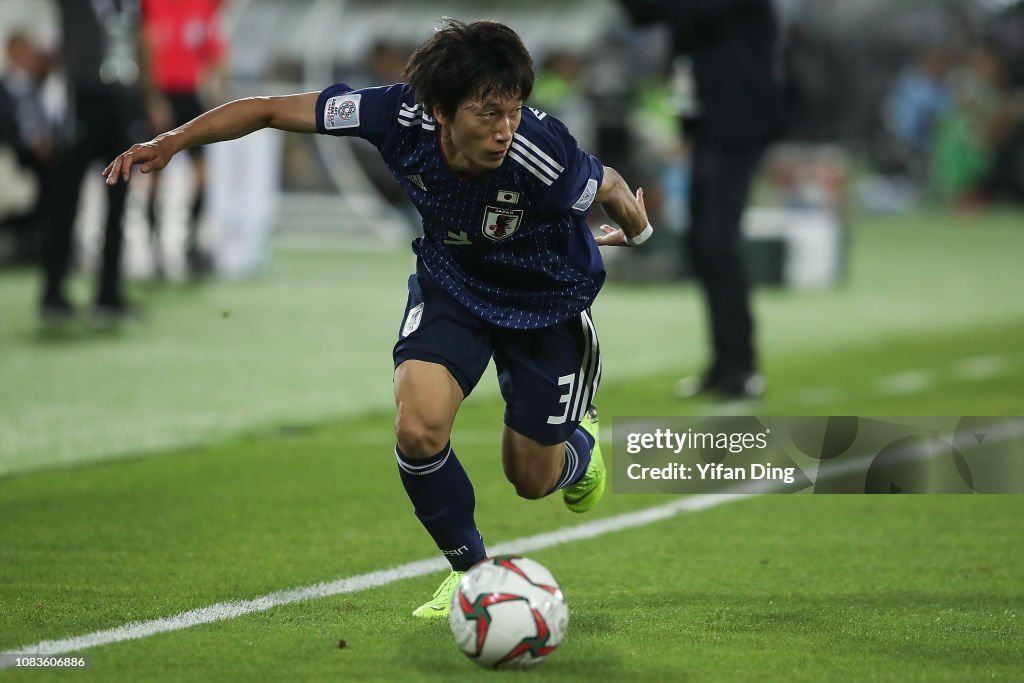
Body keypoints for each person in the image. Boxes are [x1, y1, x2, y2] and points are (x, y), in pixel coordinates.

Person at [104, 19, 652, 618]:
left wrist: (635, 231)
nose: (504, 130)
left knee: (531, 478)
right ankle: (472, 575)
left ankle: (579, 447)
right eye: (488, 114)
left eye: (514, 111)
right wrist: (173, 142)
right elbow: (266, 110)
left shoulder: (540, 150)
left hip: (546, 305)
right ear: (440, 110)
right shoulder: (394, 114)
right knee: (417, 428)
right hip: (456, 287)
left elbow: (614, 186)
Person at [621, 0, 789, 399]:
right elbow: (641, 14)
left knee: (717, 240)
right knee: (703, 243)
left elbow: (679, 11)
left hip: (739, 123)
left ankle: (743, 367)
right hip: (709, 125)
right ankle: (724, 363)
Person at [40, 0, 167, 323]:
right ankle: (53, 292)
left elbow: (140, 37)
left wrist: (150, 95)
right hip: (83, 98)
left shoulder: (132, 4)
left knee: (120, 199)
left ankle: (108, 293)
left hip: (122, 98)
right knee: (65, 198)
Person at [141, 0, 227, 279]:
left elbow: (214, 52)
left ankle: (190, 242)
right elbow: (142, 49)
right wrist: (152, 99)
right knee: (154, 172)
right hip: (161, 94)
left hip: (190, 98)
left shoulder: (204, 7)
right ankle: (154, 248)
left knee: (202, 175)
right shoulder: (151, 5)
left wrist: (216, 91)